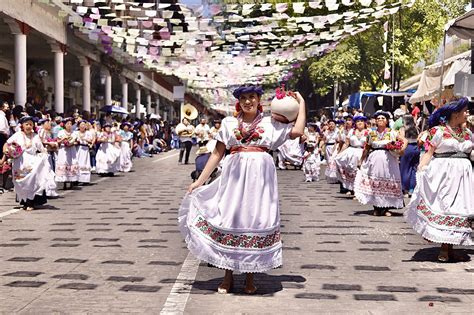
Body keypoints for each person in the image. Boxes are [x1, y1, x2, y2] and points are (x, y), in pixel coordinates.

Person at [179, 85, 306, 294]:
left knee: (255, 220)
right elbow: (217, 155)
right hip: (235, 179)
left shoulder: (271, 123)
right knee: (230, 219)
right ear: (239, 101)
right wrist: (199, 182)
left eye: (252, 97)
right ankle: (227, 276)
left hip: (261, 180)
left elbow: (298, 131)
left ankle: (250, 277)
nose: (248, 101)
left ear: (259, 100)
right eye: (244, 98)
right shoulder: (229, 123)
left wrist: (302, 104)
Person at [405, 98, 473, 262]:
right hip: (444, 174)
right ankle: (444, 246)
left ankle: (450, 245)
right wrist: (421, 169)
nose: (468, 113)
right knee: (445, 204)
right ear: (456, 114)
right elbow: (429, 153)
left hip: (464, 176)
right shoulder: (438, 132)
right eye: (465, 110)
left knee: (460, 208)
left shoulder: (468, 134)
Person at [354, 111, 407, 216]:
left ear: (386, 121)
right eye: (378, 118)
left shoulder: (392, 132)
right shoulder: (371, 134)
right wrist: (361, 160)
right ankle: (377, 208)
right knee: (375, 182)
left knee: (388, 181)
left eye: (383, 118)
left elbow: (404, 141)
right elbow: (367, 147)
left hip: (389, 161)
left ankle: (386, 208)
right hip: (374, 160)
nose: (380, 120)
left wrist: (400, 150)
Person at [3, 116, 56, 210]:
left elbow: (41, 149)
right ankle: (24, 201)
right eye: (26, 124)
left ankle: (30, 202)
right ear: (22, 125)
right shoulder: (17, 135)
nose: (28, 126)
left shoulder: (35, 136)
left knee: (31, 181)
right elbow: (7, 144)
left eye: (30, 124)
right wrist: (6, 152)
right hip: (19, 163)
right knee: (20, 181)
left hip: (32, 162)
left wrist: (45, 154)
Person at [334, 116, 369, 194]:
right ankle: (352, 189)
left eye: (361, 121)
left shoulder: (368, 132)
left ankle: (360, 190)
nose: (359, 123)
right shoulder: (351, 131)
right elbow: (346, 143)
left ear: (365, 123)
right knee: (351, 171)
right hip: (352, 152)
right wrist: (340, 153)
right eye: (357, 121)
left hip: (363, 152)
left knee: (361, 172)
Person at [398, 115, 420, 197]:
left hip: (407, 148)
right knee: (414, 169)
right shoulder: (416, 128)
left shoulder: (403, 129)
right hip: (416, 148)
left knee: (405, 168)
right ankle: (412, 189)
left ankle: (404, 188)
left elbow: (403, 139)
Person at [56, 117, 79, 189]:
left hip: (71, 150)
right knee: (64, 163)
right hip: (63, 150)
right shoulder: (61, 132)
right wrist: (63, 140)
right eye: (67, 124)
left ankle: (72, 181)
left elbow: (77, 141)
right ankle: (64, 182)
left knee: (72, 163)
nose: (69, 125)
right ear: (64, 125)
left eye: (70, 124)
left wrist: (72, 143)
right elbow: (57, 141)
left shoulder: (74, 133)